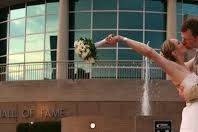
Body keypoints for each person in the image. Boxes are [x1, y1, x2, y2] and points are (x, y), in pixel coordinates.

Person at [105, 34, 198, 132]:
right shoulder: (172, 67)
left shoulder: (185, 67)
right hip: (194, 117)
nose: (182, 43)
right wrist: (122, 38)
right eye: (179, 43)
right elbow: (149, 52)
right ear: (174, 52)